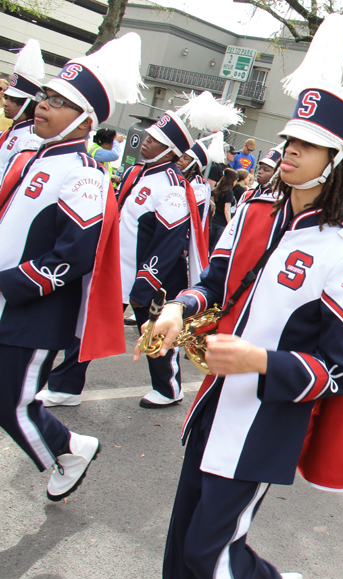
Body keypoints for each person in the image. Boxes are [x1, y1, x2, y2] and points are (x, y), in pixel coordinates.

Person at [148, 16, 343, 579]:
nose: (287, 150)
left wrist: (260, 361)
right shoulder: (252, 212)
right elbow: (215, 286)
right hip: (215, 402)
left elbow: (339, 372)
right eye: (288, 140)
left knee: (210, 551)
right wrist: (179, 307)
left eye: (305, 144)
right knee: (180, 553)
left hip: (266, 421)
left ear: (338, 160)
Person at [0, 33, 138, 501]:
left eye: (59, 103)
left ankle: (70, 450)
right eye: (46, 97)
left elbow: (73, 255)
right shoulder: (32, 156)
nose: (42, 106)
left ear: (83, 121)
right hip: (7, 305)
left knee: (12, 405)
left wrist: (11, 286)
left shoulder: (83, 173)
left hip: (32, 316)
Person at [116, 93, 210, 409]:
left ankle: (169, 389)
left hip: (149, 276)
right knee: (90, 326)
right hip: (117, 269)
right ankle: (66, 383)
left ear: (170, 151)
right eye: (149, 136)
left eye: (155, 140)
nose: (146, 142)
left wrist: (146, 282)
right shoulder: (138, 172)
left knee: (156, 335)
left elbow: (169, 242)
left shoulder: (172, 186)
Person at [0, 39, 44, 173]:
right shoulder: (13, 130)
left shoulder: (31, 139)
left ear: (26, 103)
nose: (6, 103)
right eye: (6, 98)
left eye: (12, 100)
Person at [208, 168, 238, 250]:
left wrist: (213, 205)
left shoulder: (218, 189)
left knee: (209, 245)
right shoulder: (229, 192)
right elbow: (227, 210)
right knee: (216, 246)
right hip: (222, 223)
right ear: (233, 181)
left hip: (214, 220)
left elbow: (208, 198)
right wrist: (230, 224)